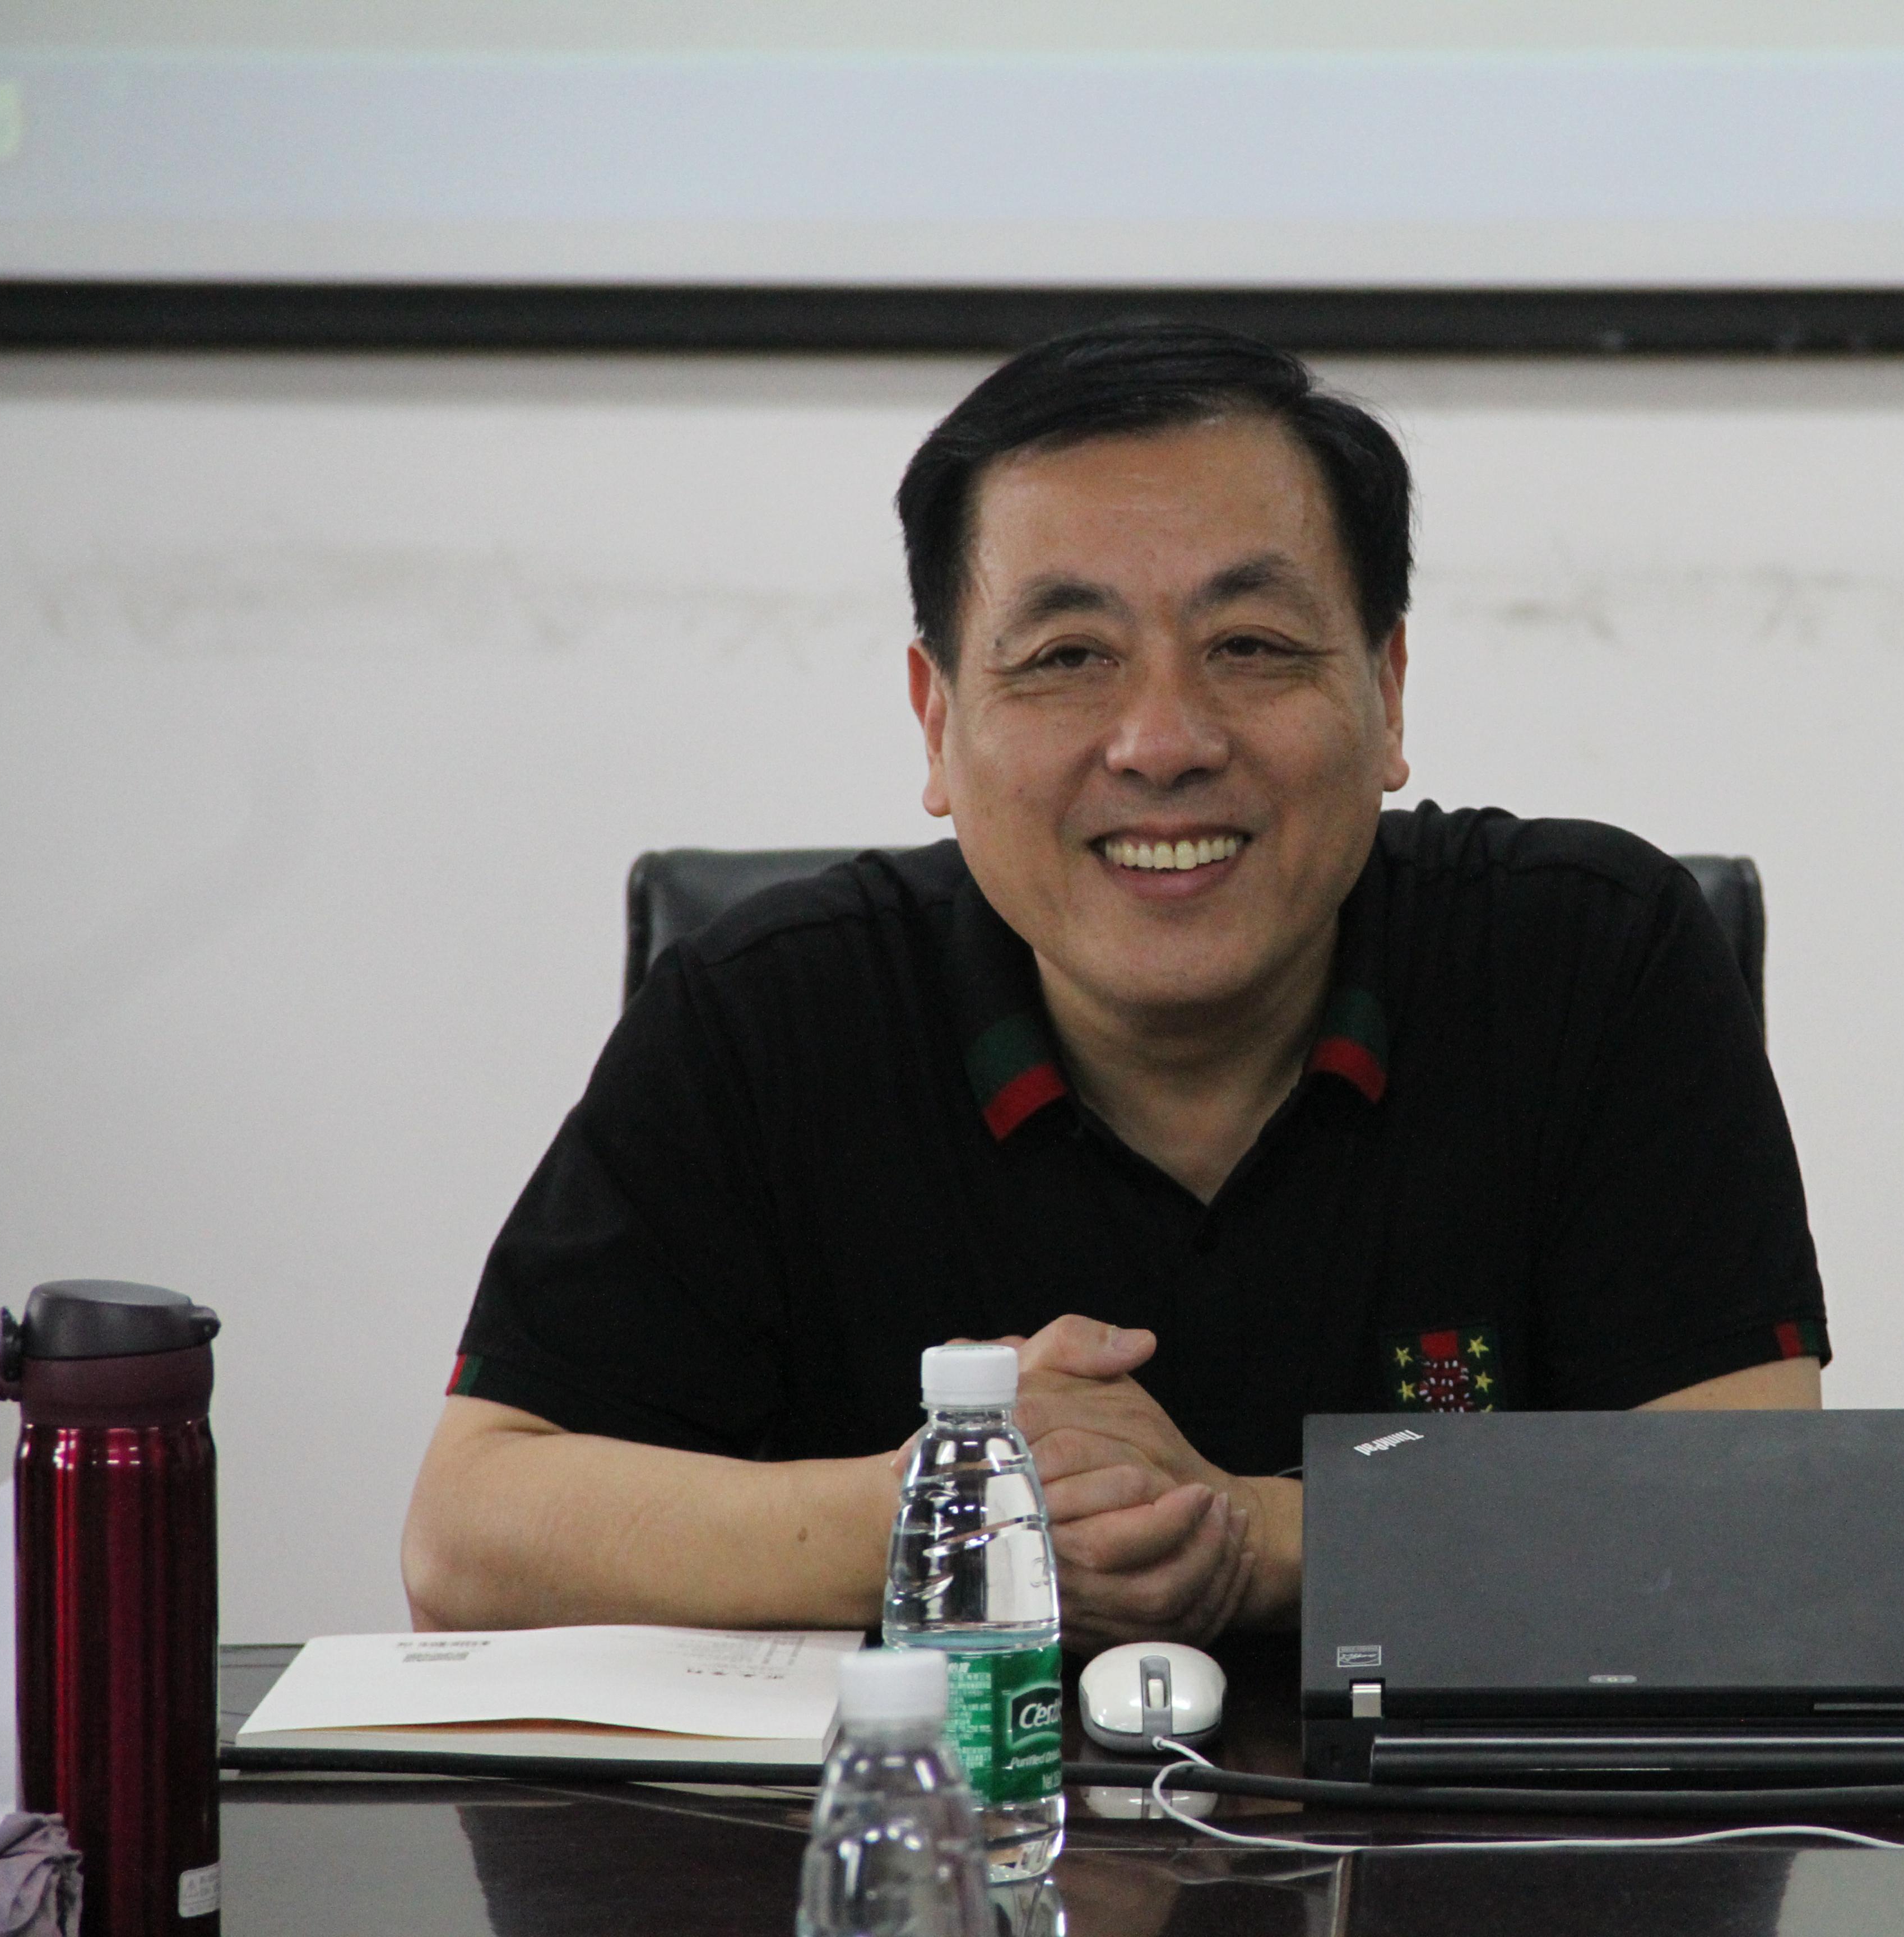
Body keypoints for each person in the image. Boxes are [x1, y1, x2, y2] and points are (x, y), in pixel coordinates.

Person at [401, 322, 1829, 1649]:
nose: (1161, 741)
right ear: (937, 722)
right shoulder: (769, 1014)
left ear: (1388, 691)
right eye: (1068, 657)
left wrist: (1255, 1538)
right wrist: (966, 1508)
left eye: (1250, 648)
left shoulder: (1590, 960)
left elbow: (1761, 1517)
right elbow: (471, 1535)